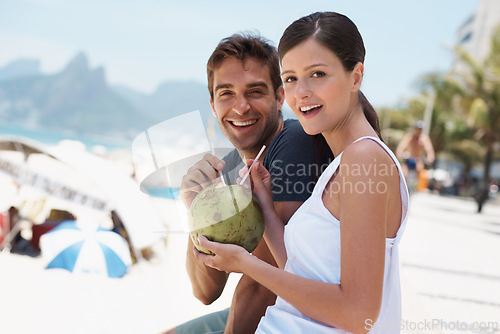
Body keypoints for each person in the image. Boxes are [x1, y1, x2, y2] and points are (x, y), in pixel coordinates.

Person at [195, 12, 409, 333]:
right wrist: (266, 207)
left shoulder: (365, 159)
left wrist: (246, 264)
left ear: (356, 76)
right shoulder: (345, 162)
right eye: (291, 78)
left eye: (318, 74)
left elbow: (357, 313)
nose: (301, 93)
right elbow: (303, 274)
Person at [165, 33, 333, 334]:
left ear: (280, 97)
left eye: (254, 91)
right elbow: (205, 291)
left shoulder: (294, 142)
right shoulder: (230, 166)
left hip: (295, 315)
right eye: (226, 93)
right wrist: (196, 209)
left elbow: (261, 286)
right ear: (213, 105)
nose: (240, 107)